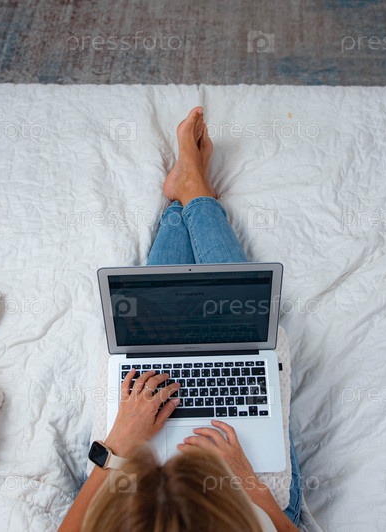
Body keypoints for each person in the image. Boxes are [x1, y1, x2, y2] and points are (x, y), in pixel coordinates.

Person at [59, 107, 300, 532]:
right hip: (247, 508)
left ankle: (186, 194)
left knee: (155, 335)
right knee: (240, 321)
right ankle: (192, 192)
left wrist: (117, 446)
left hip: (135, 501)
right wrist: (248, 484)